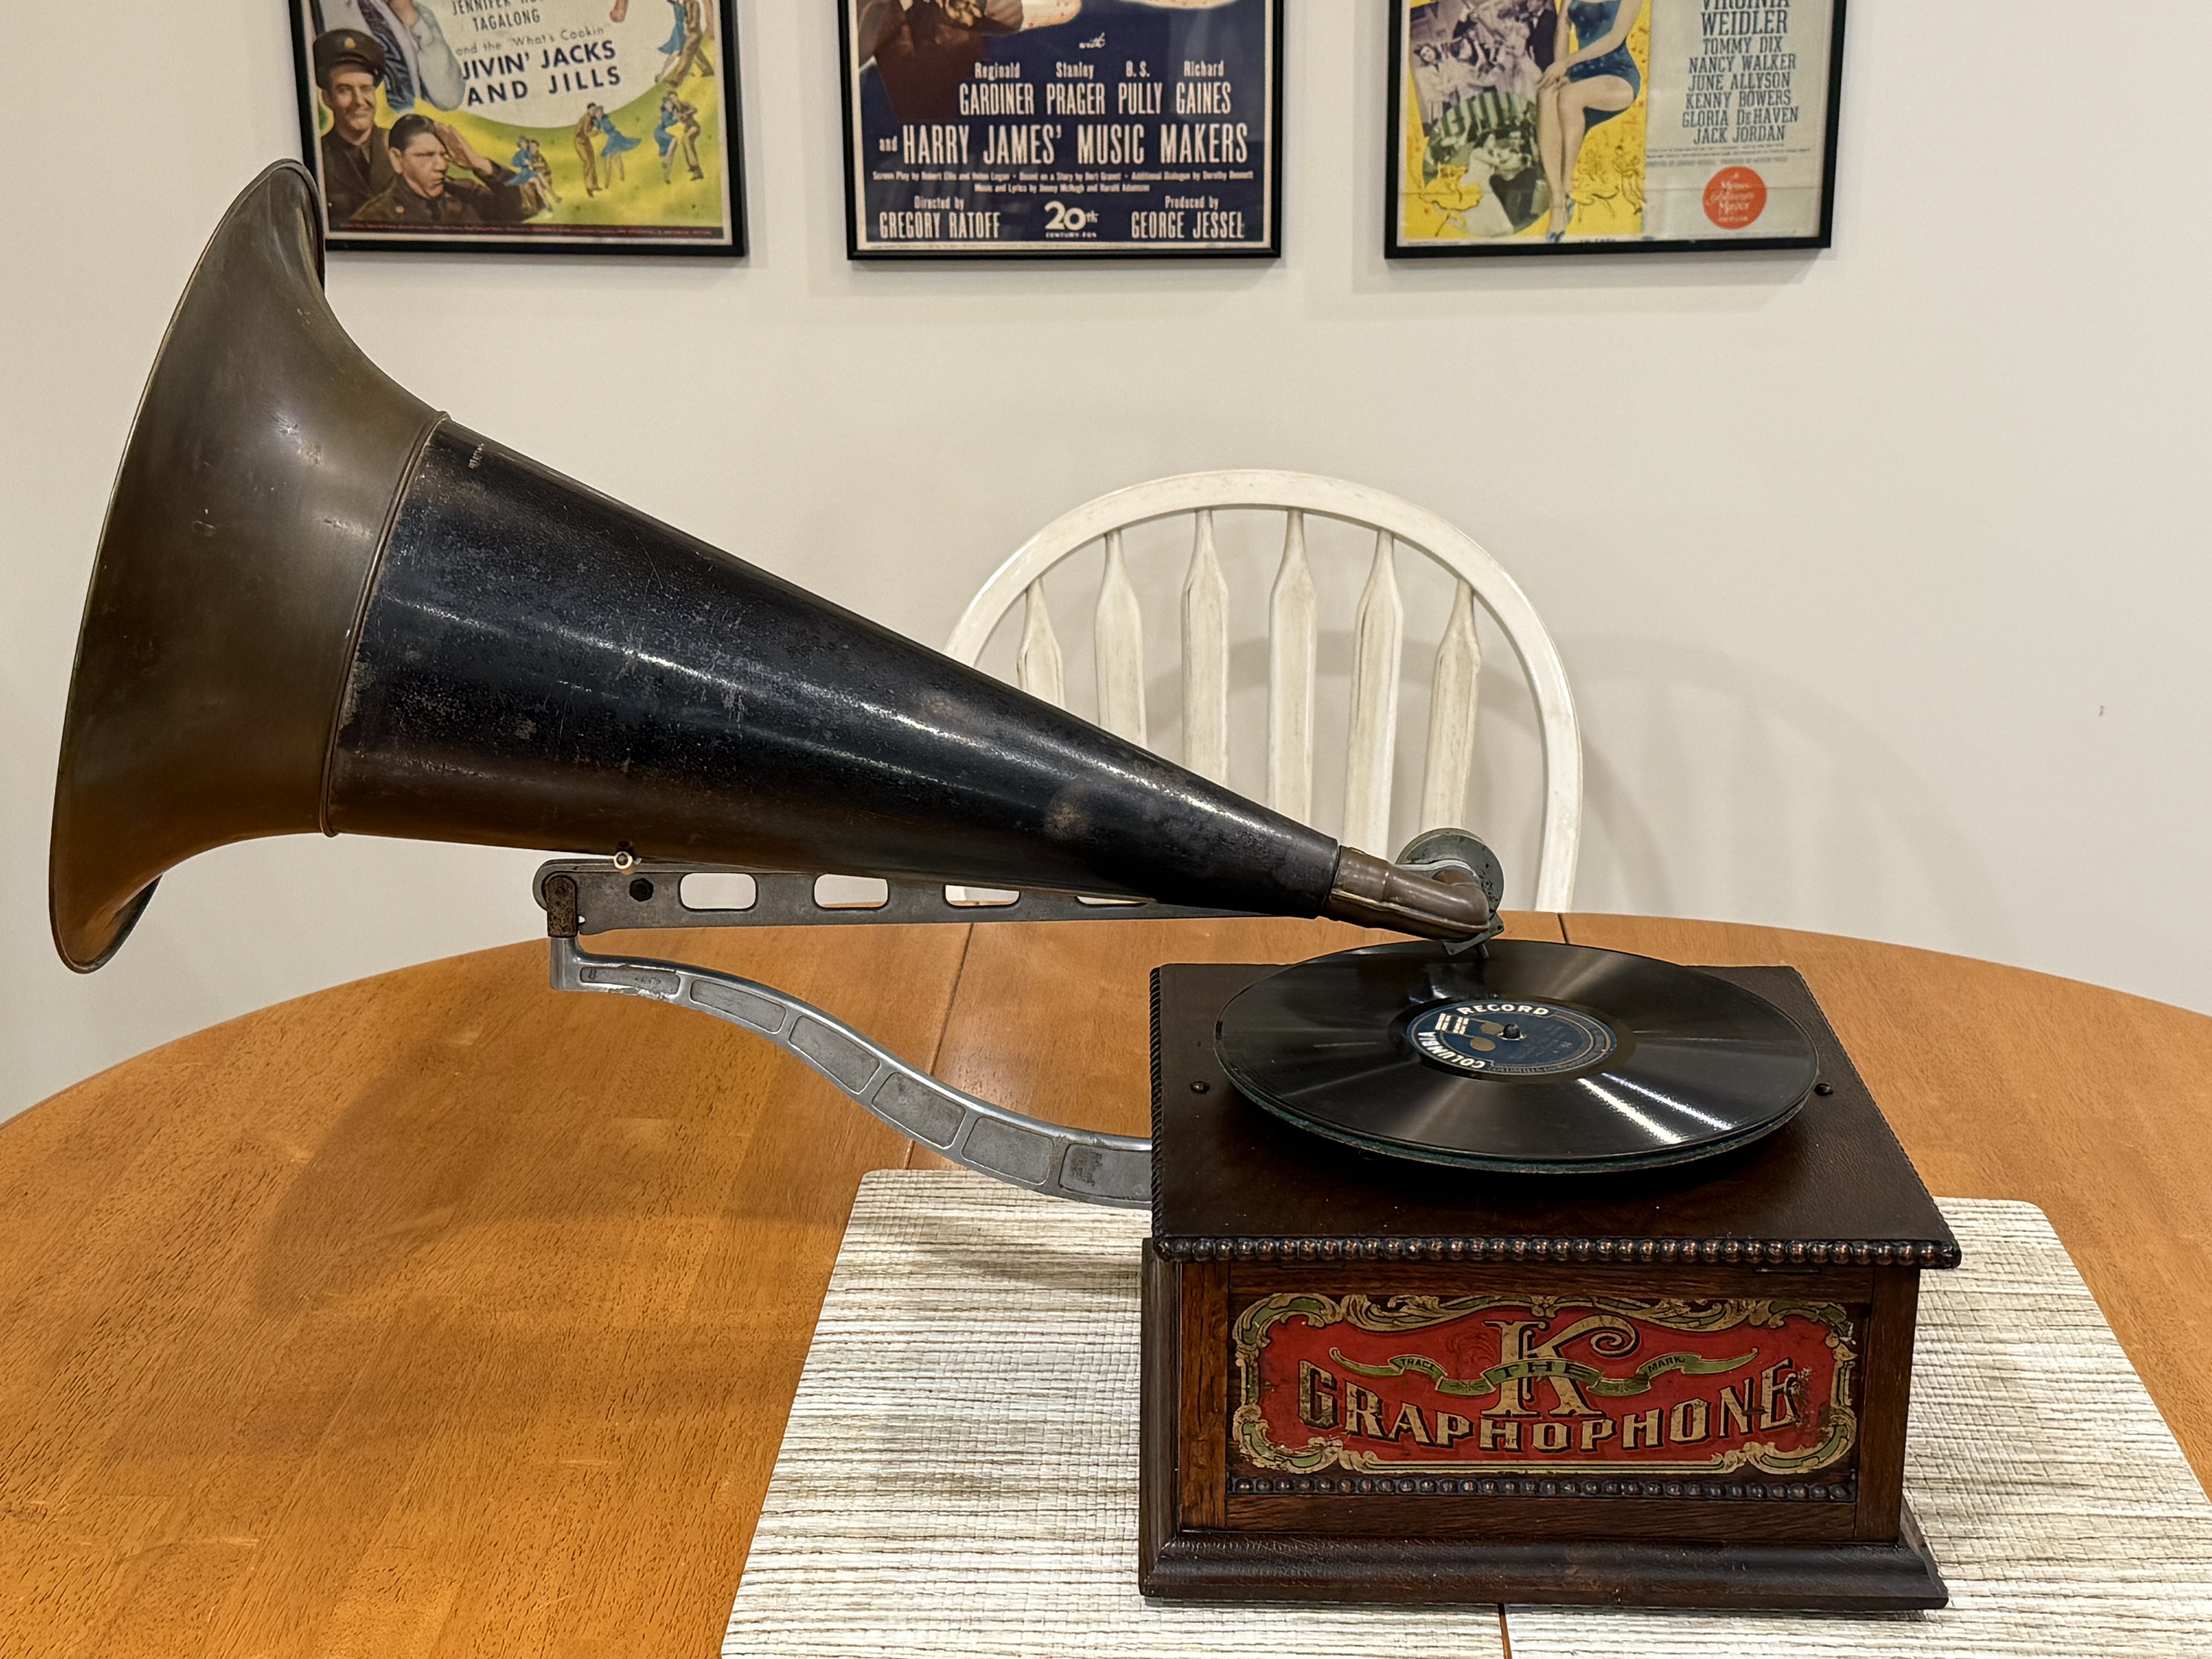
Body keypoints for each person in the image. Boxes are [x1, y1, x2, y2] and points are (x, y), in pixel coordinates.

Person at [1535, 0, 1645, 240]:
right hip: (1580, 73)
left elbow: (1615, 38)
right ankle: (1557, 201)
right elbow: (1563, 27)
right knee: (1547, 93)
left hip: (1617, 76)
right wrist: (1562, 71)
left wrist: (1567, 63)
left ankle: (1567, 186)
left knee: (1570, 96)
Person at [350, 113, 535, 226]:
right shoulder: (376, 217)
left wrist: (479, 164)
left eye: (444, 155)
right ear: (397, 159)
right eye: (427, 155)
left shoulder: (466, 195)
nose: (442, 166)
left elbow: (530, 206)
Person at [311, 0, 464, 113]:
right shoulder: (316, 12)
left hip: (411, 131)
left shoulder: (406, 9)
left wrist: (415, 22)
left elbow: (450, 97)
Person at [312, 29, 396, 225]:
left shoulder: (403, 147)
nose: (359, 101)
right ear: (327, 98)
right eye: (345, 90)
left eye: (366, 89)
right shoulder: (318, 158)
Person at [656, 91, 704, 182]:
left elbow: (695, 109)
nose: (674, 100)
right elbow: (669, 117)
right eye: (672, 99)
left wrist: (686, 114)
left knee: (686, 140)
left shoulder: (684, 104)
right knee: (686, 144)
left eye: (674, 97)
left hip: (694, 126)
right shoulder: (675, 110)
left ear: (677, 97)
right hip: (687, 129)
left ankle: (694, 166)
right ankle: (696, 171)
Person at [592, 104, 642, 182]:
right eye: (597, 113)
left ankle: (617, 177)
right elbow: (597, 129)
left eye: (600, 113)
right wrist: (598, 130)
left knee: (613, 157)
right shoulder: (598, 121)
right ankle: (615, 178)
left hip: (615, 137)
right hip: (613, 137)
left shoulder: (605, 120)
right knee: (614, 158)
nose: (599, 114)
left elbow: (608, 128)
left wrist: (601, 131)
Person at [509, 135, 560, 208]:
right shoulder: (522, 154)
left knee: (539, 179)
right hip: (528, 175)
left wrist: (533, 165)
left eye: (525, 143)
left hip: (535, 173)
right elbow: (515, 163)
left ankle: (551, 200)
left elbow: (543, 165)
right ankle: (547, 202)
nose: (525, 145)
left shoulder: (533, 154)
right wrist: (524, 164)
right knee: (536, 179)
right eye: (523, 144)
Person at [574, 106, 602, 196]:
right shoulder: (586, 119)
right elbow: (587, 133)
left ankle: (594, 185)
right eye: (592, 110)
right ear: (588, 110)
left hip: (587, 142)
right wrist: (597, 132)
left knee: (592, 162)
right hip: (581, 143)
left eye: (595, 110)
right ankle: (589, 187)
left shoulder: (592, 118)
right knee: (588, 163)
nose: (593, 112)